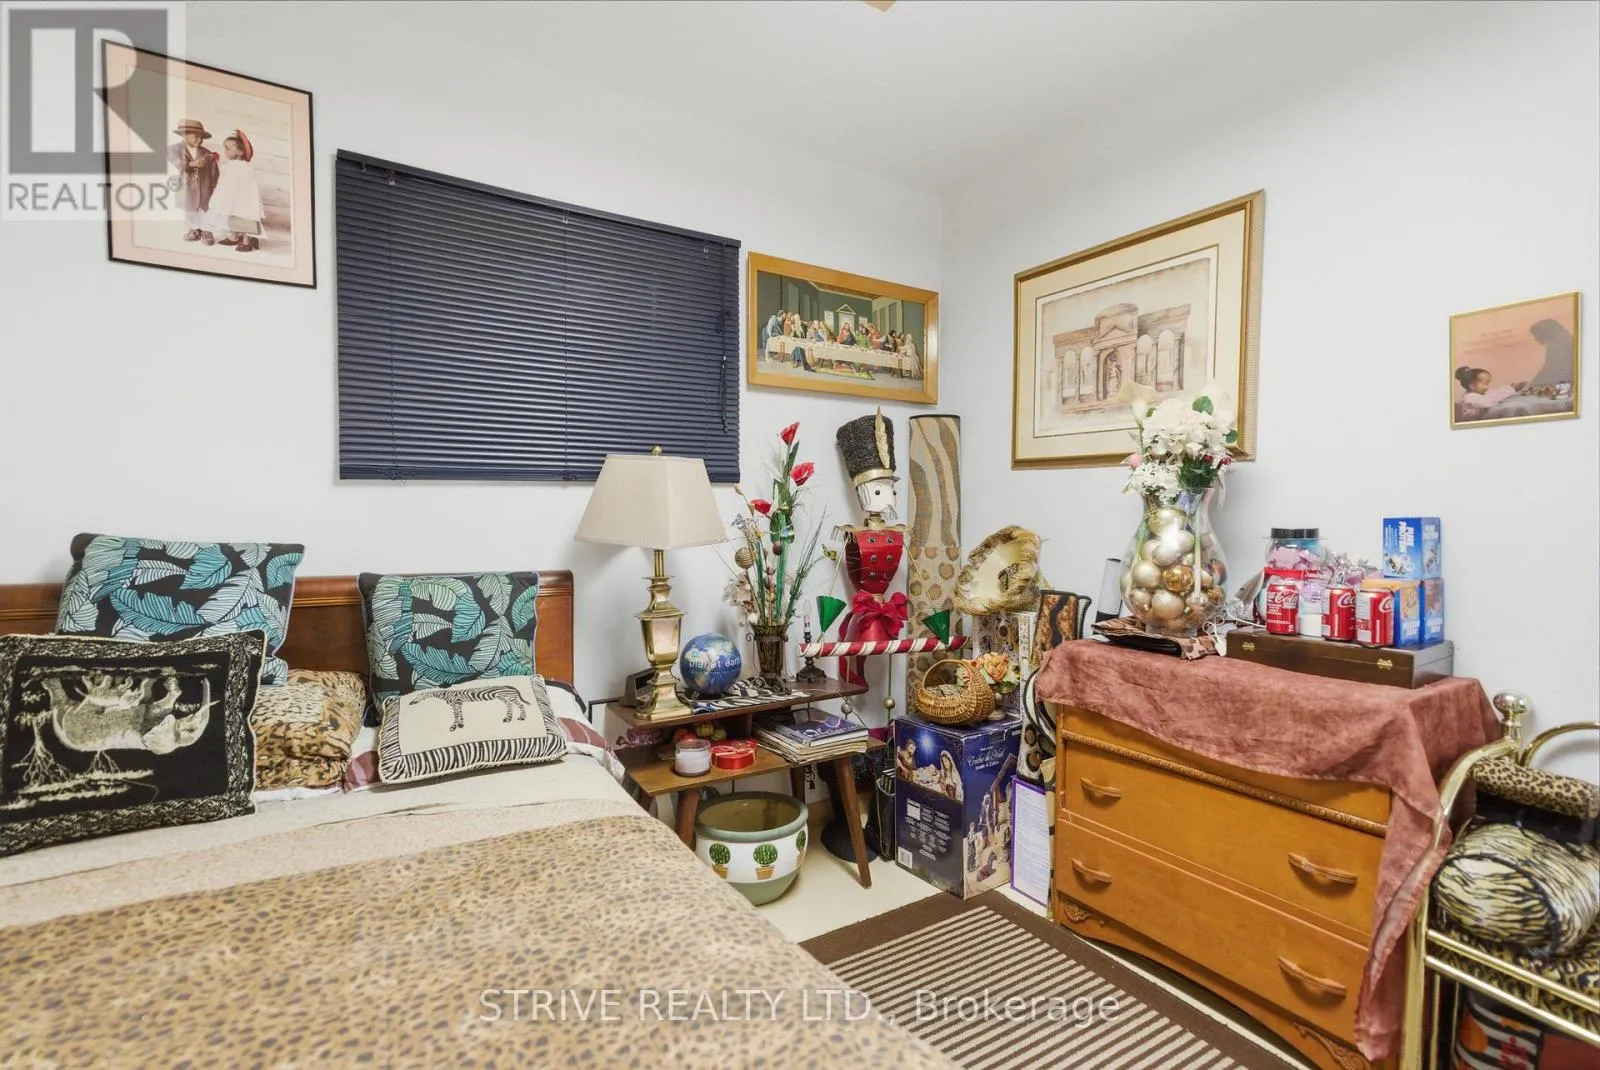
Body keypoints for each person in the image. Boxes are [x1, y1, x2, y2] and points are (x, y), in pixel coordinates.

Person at [209, 130, 264, 253]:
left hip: (243, 199)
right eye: (225, 148)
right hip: (232, 197)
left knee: (245, 218)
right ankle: (233, 236)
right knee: (232, 216)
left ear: (240, 151)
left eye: (228, 148)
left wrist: (243, 198)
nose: (225, 151)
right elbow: (225, 181)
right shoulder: (230, 165)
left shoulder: (245, 168)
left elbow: (249, 187)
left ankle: (247, 240)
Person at [169, 118, 219, 245]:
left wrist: (214, 186)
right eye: (196, 137)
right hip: (187, 186)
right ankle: (194, 230)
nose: (200, 140)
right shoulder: (174, 149)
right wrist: (191, 164)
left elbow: (214, 171)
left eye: (201, 138)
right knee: (190, 210)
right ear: (184, 135)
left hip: (205, 187)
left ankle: (207, 231)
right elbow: (175, 162)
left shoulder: (206, 153)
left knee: (205, 209)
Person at [1454, 366, 1524, 410]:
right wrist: (1510, 390)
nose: (1487, 386)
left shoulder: (1478, 393)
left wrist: (1509, 387)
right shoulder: (1470, 398)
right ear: (1472, 386)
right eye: (1485, 384)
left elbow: (1494, 393)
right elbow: (1489, 402)